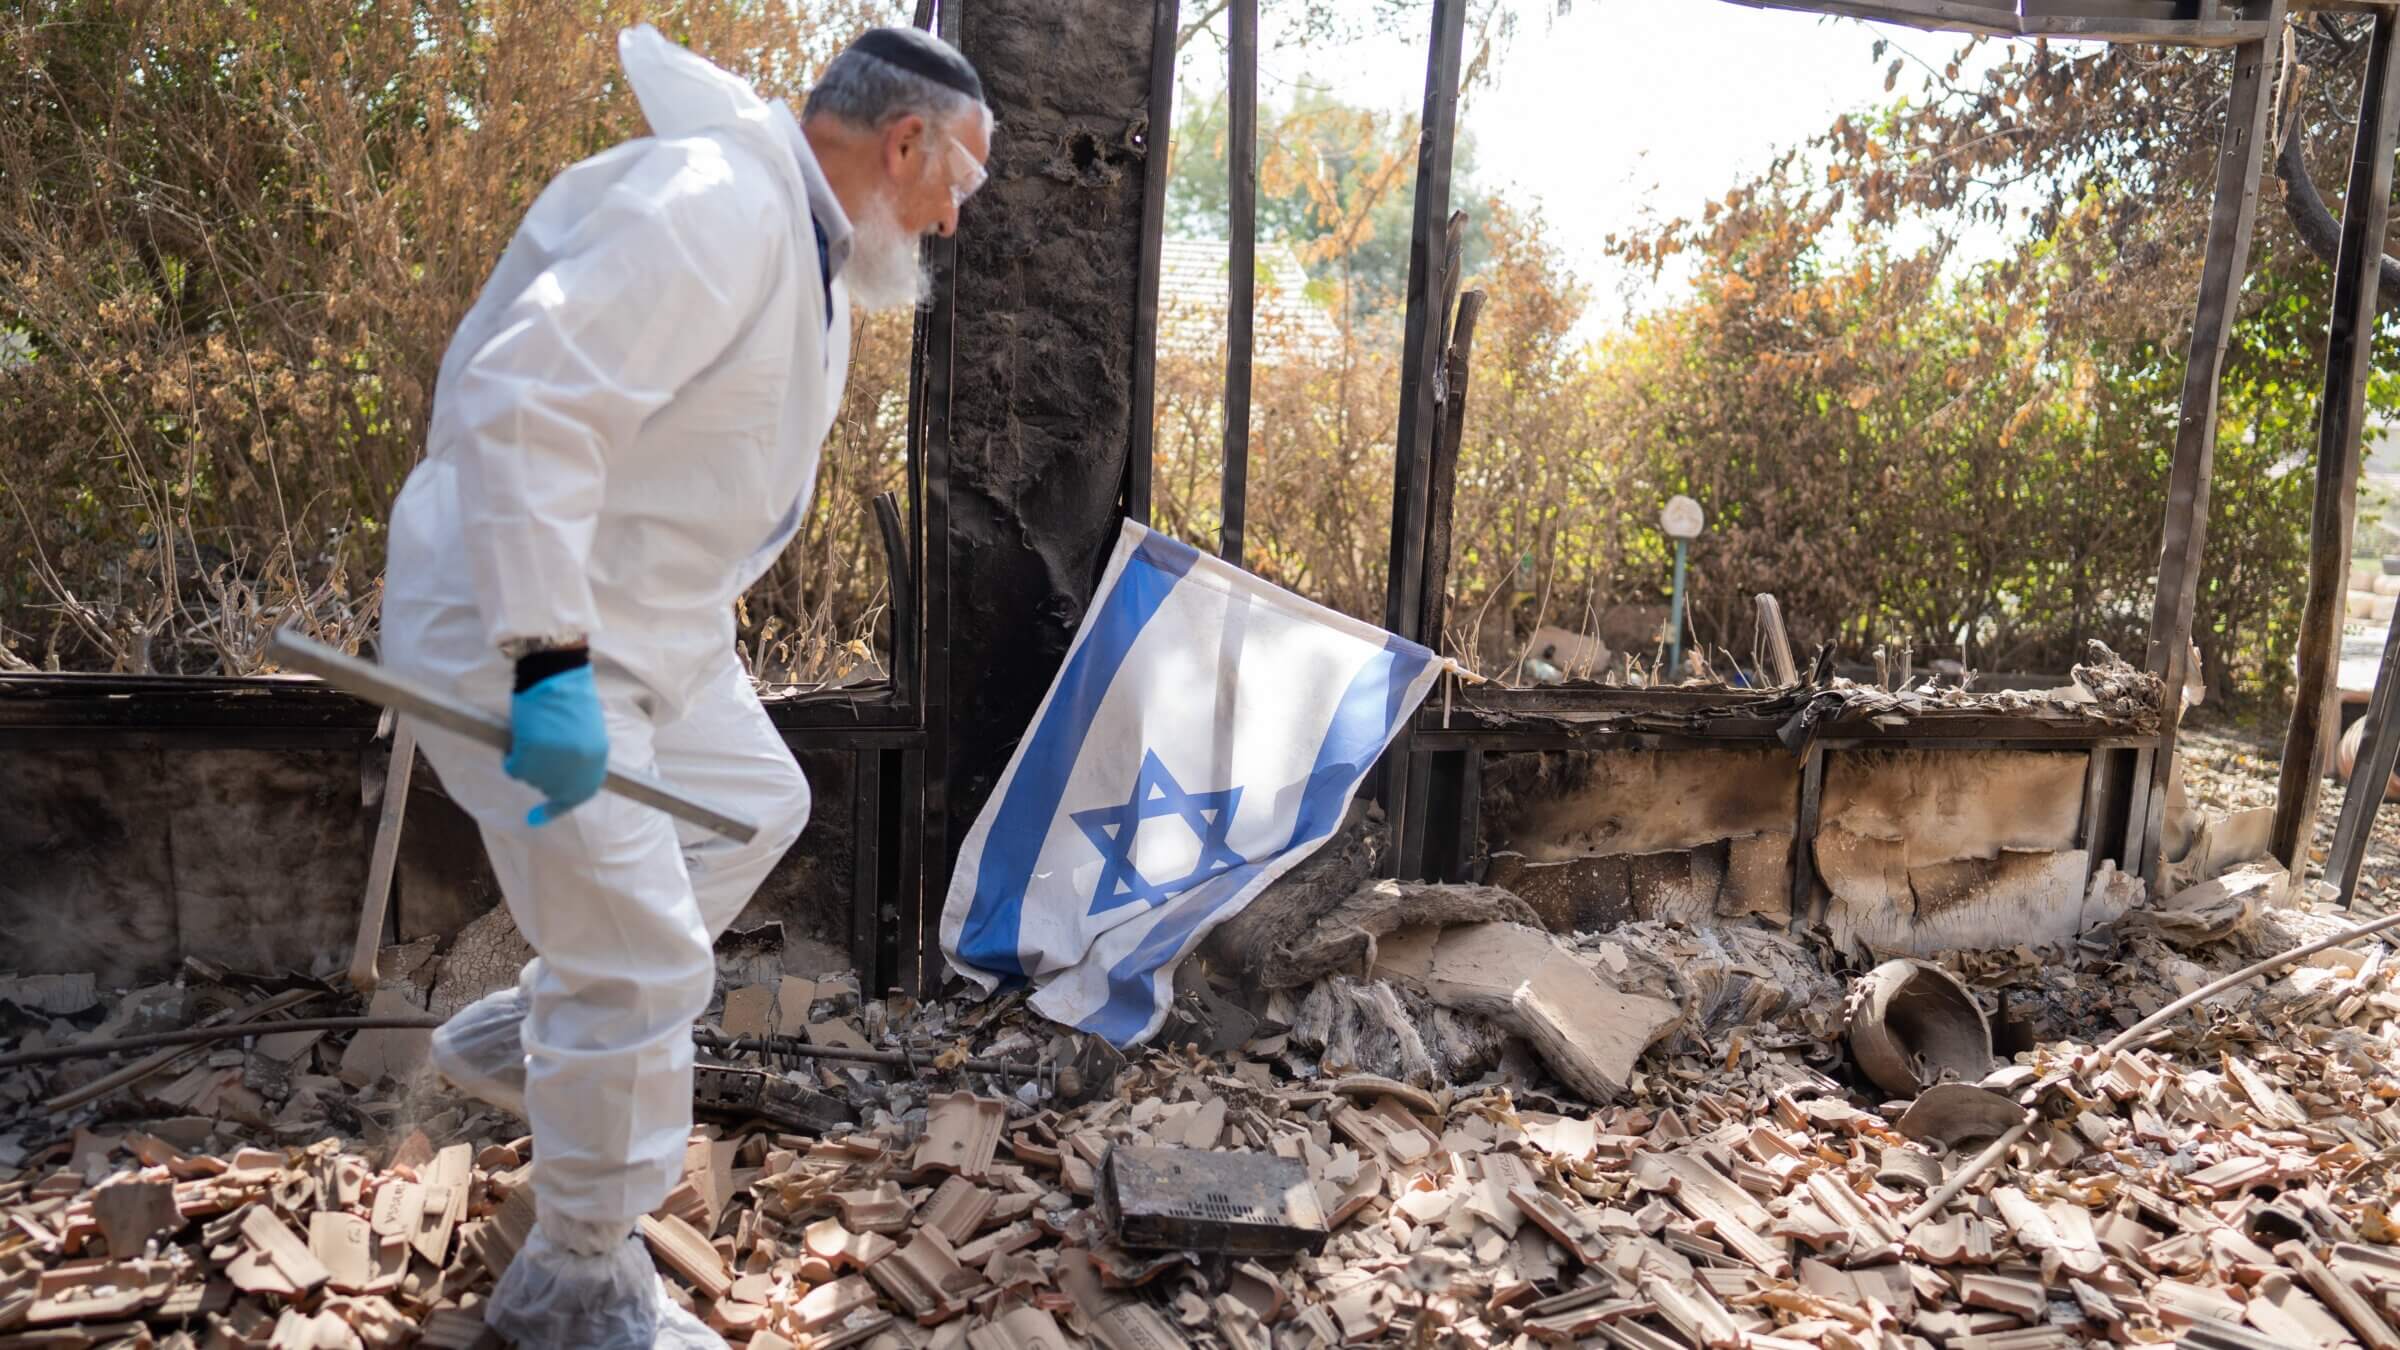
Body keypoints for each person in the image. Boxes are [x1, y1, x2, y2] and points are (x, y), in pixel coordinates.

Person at [378, 23, 988, 1348]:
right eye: (962, 182)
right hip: (510, 615)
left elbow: (678, 499)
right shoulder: (716, 208)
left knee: (749, 797)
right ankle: (577, 1281)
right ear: (904, 145)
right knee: (644, 950)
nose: (952, 217)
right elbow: (525, 405)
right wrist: (545, 669)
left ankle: (549, 1027)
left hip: (645, 634)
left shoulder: (799, 243)